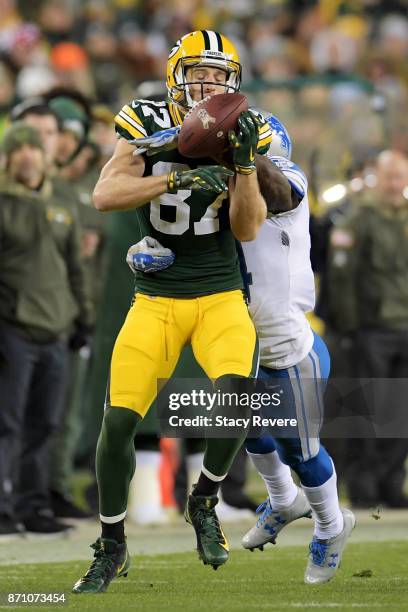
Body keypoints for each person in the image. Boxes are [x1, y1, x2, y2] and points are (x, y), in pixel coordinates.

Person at [72, 30, 272, 594]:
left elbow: (248, 227)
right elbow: (105, 194)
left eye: (219, 75)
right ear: (176, 75)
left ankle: (204, 500)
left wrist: (245, 167)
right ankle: (112, 545)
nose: (209, 83)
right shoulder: (143, 117)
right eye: (200, 72)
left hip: (218, 294)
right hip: (155, 300)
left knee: (238, 399)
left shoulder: (243, 126)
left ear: (232, 82)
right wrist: (175, 173)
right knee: (117, 426)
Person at [238, 128, 355, 584]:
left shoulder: (284, 180)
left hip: (286, 347)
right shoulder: (221, 186)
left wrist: (241, 149)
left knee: (300, 452)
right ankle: (283, 500)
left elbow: (279, 192)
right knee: (243, 430)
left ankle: (331, 526)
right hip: (238, 343)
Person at [0, 123, 93, 536]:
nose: (26, 155)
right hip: (12, 328)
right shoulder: (2, 201)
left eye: (33, 148)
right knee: (7, 423)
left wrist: (83, 317)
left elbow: (76, 267)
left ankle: (32, 506)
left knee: (45, 424)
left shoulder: (63, 201)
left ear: (44, 154)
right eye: (17, 148)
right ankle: (2, 508)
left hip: (57, 328)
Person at [327, 150, 408, 508]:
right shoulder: (359, 217)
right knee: (367, 413)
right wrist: (350, 327)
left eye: (400, 177)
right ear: (379, 178)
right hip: (370, 330)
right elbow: (342, 276)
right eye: (390, 177)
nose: (395, 184)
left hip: (404, 328)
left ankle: (393, 484)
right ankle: (364, 487)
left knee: (400, 413)